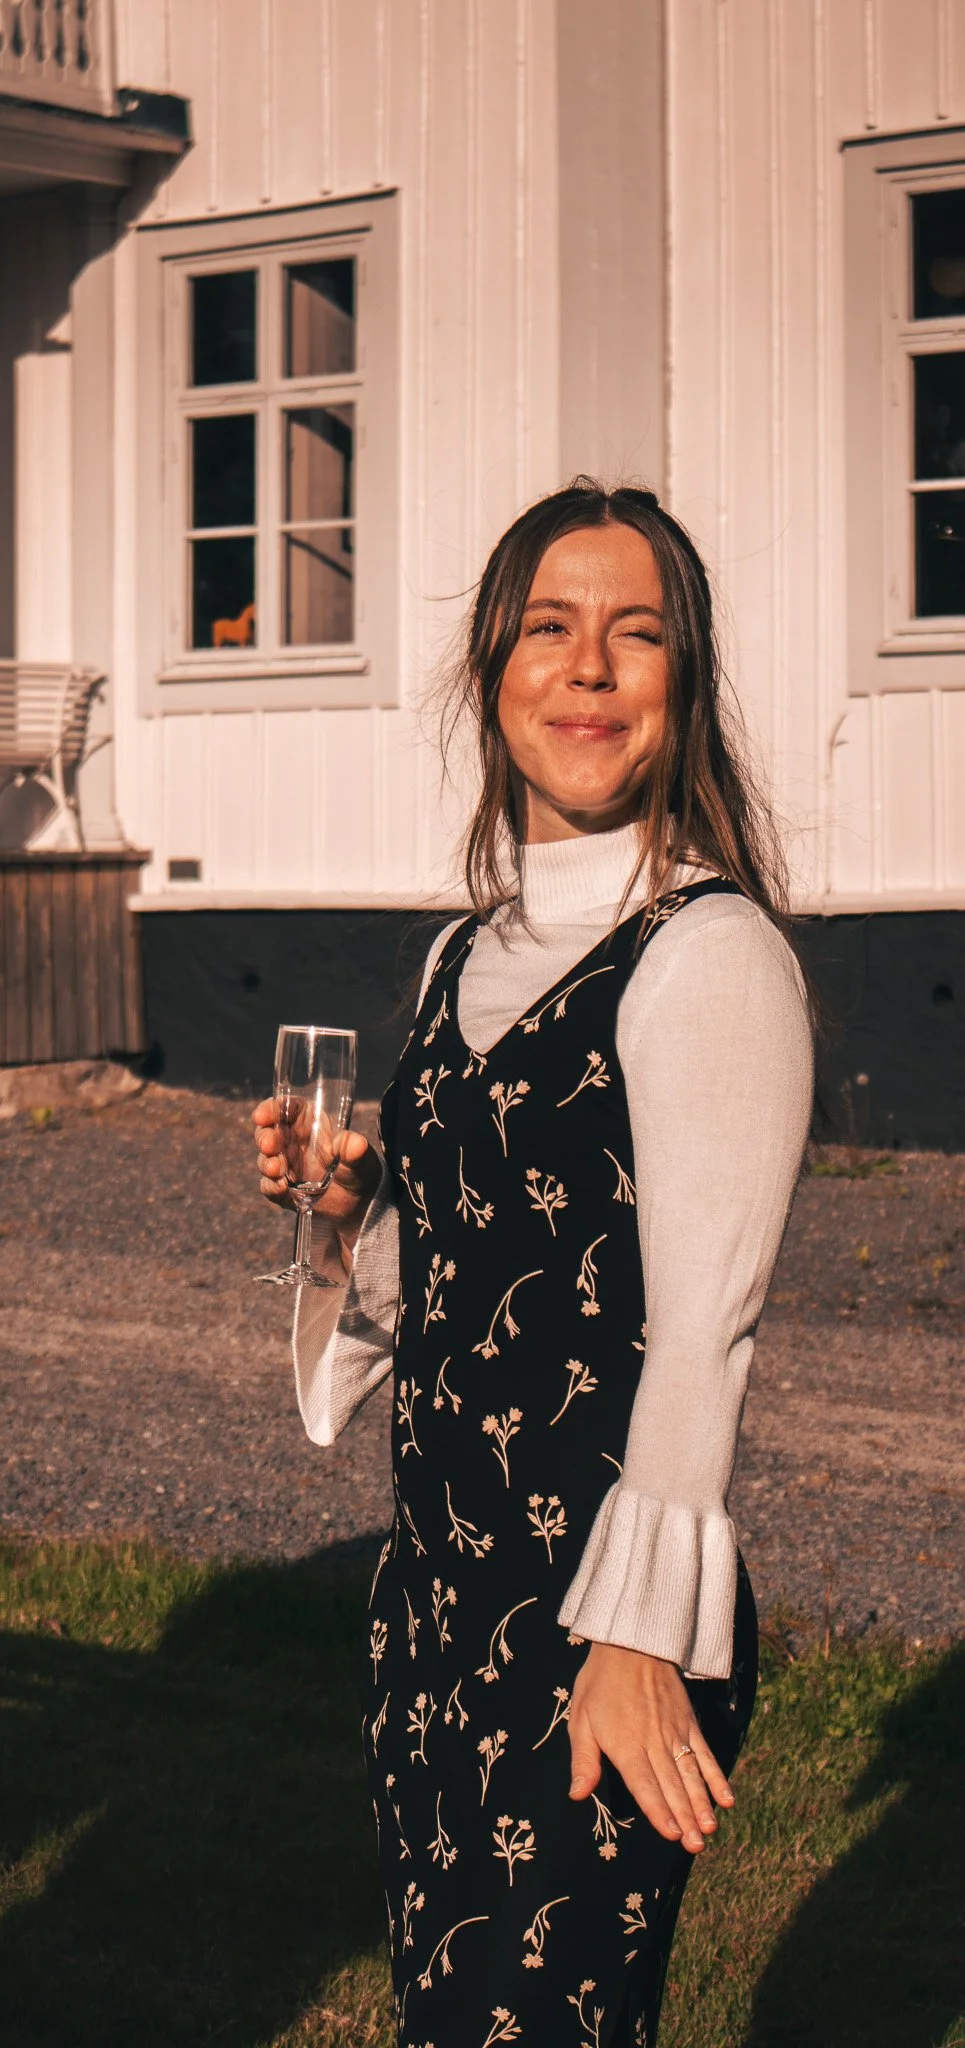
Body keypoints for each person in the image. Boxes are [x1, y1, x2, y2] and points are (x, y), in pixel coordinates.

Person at [252, 480, 814, 2048]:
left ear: (683, 682)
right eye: (550, 628)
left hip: (596, 1621)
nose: (589, 669)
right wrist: (346, 1212)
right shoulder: (464, 953)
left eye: (636, 635)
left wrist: (637, 1644)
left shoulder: (709, 955)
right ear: (491, 668)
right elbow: (448, 1292)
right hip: (434, 1606)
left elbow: (705, 1335)